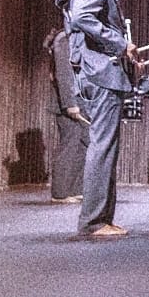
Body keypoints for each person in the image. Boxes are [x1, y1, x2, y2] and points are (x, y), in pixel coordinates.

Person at [54, 0, 138, 237]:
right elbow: (84, 18)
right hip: (101, 75)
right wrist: (120, 43)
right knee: (103, 147)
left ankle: (102, 218)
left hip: (97, 73)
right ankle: (93, 222)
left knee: (105, 146)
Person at [43, 27, 88, 204]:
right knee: (70, 143)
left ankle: (75, 188)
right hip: (67, 102)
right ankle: (60, 192)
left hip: (79, 100)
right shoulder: (64, 39)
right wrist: (70, 104)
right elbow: (64, 73)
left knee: (83, 142)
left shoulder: (75, 37)